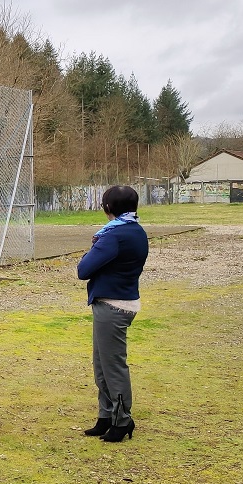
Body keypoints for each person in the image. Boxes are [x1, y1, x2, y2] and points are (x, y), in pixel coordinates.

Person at [77, 185, 149, 443]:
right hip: (122, 301)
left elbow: (84, 269)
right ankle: (106, 415)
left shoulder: (113, 235)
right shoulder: (136, 231)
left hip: (112, 306)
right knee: (102, 366)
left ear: (108, 208)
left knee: (112, 367)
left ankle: (122, 420)